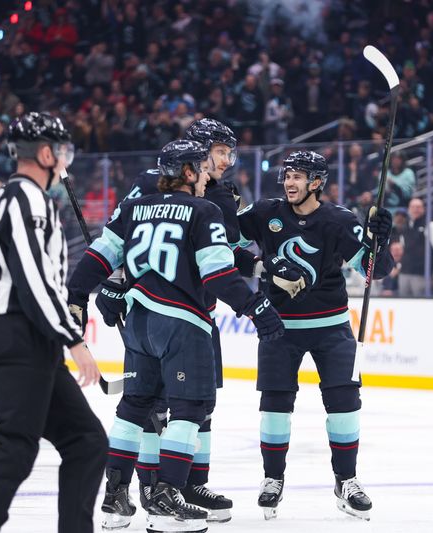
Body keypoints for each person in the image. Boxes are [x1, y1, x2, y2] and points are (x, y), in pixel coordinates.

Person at [71, 139, 284, 533]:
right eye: (201, 169)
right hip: (183, 324)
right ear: (187, 172)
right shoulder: (204, 210)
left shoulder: (134, 208)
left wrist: (77, 296)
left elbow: (98, 258)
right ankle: (167, 497)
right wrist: (256, 308)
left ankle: (115, 498)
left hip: (138, 324)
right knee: (191, 407)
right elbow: (218, 275)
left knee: (134, 405)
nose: (206, 175)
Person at [0, 112, 107, 533]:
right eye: (61, 150)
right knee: (15, 445)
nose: (65, 160)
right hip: (17, 334)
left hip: (30, 337)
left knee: (86, 441)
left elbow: (41, 281)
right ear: (45, 153)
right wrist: (73, 339)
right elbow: (32, 281)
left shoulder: (27, 200)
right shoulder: (22, 198)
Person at [236, 151, 394, 521]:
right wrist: (259, 266)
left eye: (298, 176)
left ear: (317, 182)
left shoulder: (339, 220)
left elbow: (378, 270)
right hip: (278, 326)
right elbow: (221, 242)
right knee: (275, 407)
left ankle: (347, 480)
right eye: (287, 175)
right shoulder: (264, 213)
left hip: (332, 327)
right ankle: (272, 479)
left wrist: (382, 238)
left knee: (344, 405)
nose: (289, 182)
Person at [398, 198, 433, 297]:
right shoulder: (405, 226)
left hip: (421, 274)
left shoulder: (430, 225)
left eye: (418, 207)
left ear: (423, 209)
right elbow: (402, 249)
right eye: (413, 207)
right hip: (404, 273)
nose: (415, 209)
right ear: (409, 209)